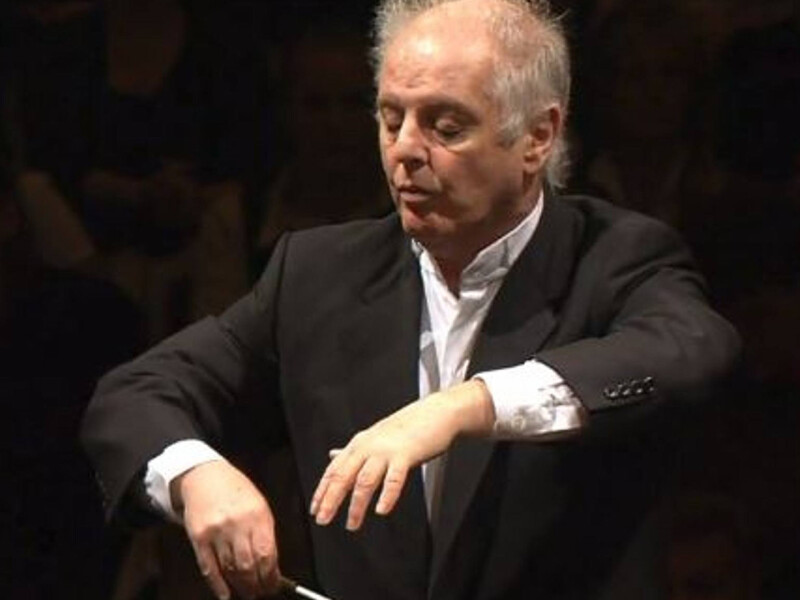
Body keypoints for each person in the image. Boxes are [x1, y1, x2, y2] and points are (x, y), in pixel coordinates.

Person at [81, 1, 741, 599]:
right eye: (391, 119)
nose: (404, 151)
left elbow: (692, 348)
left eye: (445, 127)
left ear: (538, 137)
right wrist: (195, 475)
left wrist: (465, 405)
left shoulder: (617, 256)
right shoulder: (318, 274)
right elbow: (137, 393)